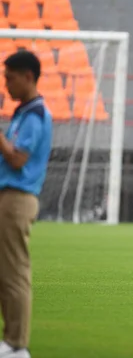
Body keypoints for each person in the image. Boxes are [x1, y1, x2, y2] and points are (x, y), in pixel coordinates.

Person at [0, 51, 53, 358]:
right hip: (9, 197)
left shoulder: (34, 115)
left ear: (28, 77)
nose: (6, 85)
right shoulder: (24, 112)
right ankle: (11, 340)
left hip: (17, 198)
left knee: (14, 271)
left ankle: (17, 344)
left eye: (10, 78)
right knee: (5, 271)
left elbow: (18, 159)